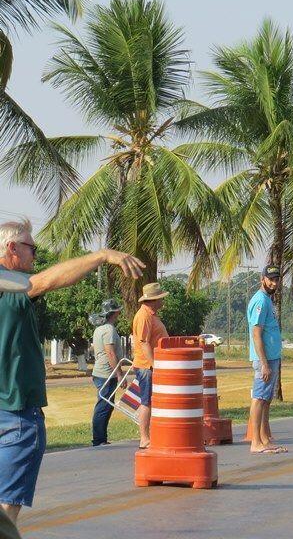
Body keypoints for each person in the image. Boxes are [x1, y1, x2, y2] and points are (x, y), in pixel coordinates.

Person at [0, 218, 144, 524]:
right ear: (12, 248)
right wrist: (101, 255)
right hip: (15, 413)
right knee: (6, 513)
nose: (35, 256)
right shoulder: (12, 286)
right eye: (31, 248)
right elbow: (45, 281)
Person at [247, 265, 286, 454]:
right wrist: (263, 363)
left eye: (276, 279)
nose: (274, 283)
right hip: (265, 360)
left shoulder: (267, 300)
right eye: (270, 279)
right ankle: (255, 442)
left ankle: (264, 439)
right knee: (259, 398)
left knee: (266, 399)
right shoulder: (260, 301)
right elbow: (256, 334)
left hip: (272, 358)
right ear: (262, 278)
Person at [131, 282, 169, 450]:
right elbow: (144, 342)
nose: (163, 301)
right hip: (146, 366)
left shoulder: (151, 315)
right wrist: (154, 365)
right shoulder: (144, 316)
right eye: (161, 298)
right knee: (146, 401)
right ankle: (144, 438)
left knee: (151, 400)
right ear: (154, 300)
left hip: (150, 365)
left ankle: (150, 436)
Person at [89, 299, 126, 447]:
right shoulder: (109, 330)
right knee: (104, 406)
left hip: (101, 372)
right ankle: (98, 439)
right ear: (115, 312)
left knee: (106, 405)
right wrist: (119, 374)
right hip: (106, 373)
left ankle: (101, 438)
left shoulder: (100, 329)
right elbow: (110, 353)